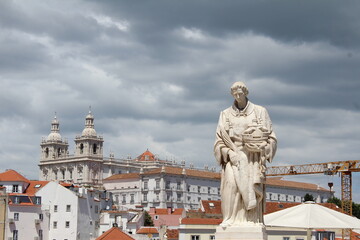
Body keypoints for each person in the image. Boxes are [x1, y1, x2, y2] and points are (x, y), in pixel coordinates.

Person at [214, 81, 277, 226]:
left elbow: (272, 137)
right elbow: (218, 141)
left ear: (246, 93)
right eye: (234, 94)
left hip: (253, 158)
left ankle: (251, 220)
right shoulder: (225, 114)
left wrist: (264, 148)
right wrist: (229, 153)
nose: (237, 96)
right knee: (231, 184)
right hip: (233, 156)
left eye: (240, 93)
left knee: (251, 187)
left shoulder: (260, 111)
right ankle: (230, 219)